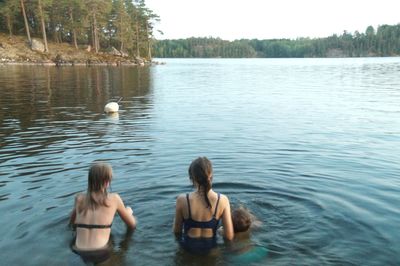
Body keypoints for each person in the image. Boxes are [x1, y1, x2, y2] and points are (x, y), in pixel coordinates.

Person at [69, 162, 136, 262]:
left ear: (90, 180)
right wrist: (128, 212)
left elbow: (72, 222)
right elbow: (132, 225)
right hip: (100, 251)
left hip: (78, 250)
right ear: (107, 181)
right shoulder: (114, 198)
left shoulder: (79, 198)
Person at [173, 157, 234, 254]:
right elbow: (229, 236)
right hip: (211, 251)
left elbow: (177, 232)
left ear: (192, 178)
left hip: (188, 250)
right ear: (211, 175)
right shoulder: (222, 200)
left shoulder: (182, 200)